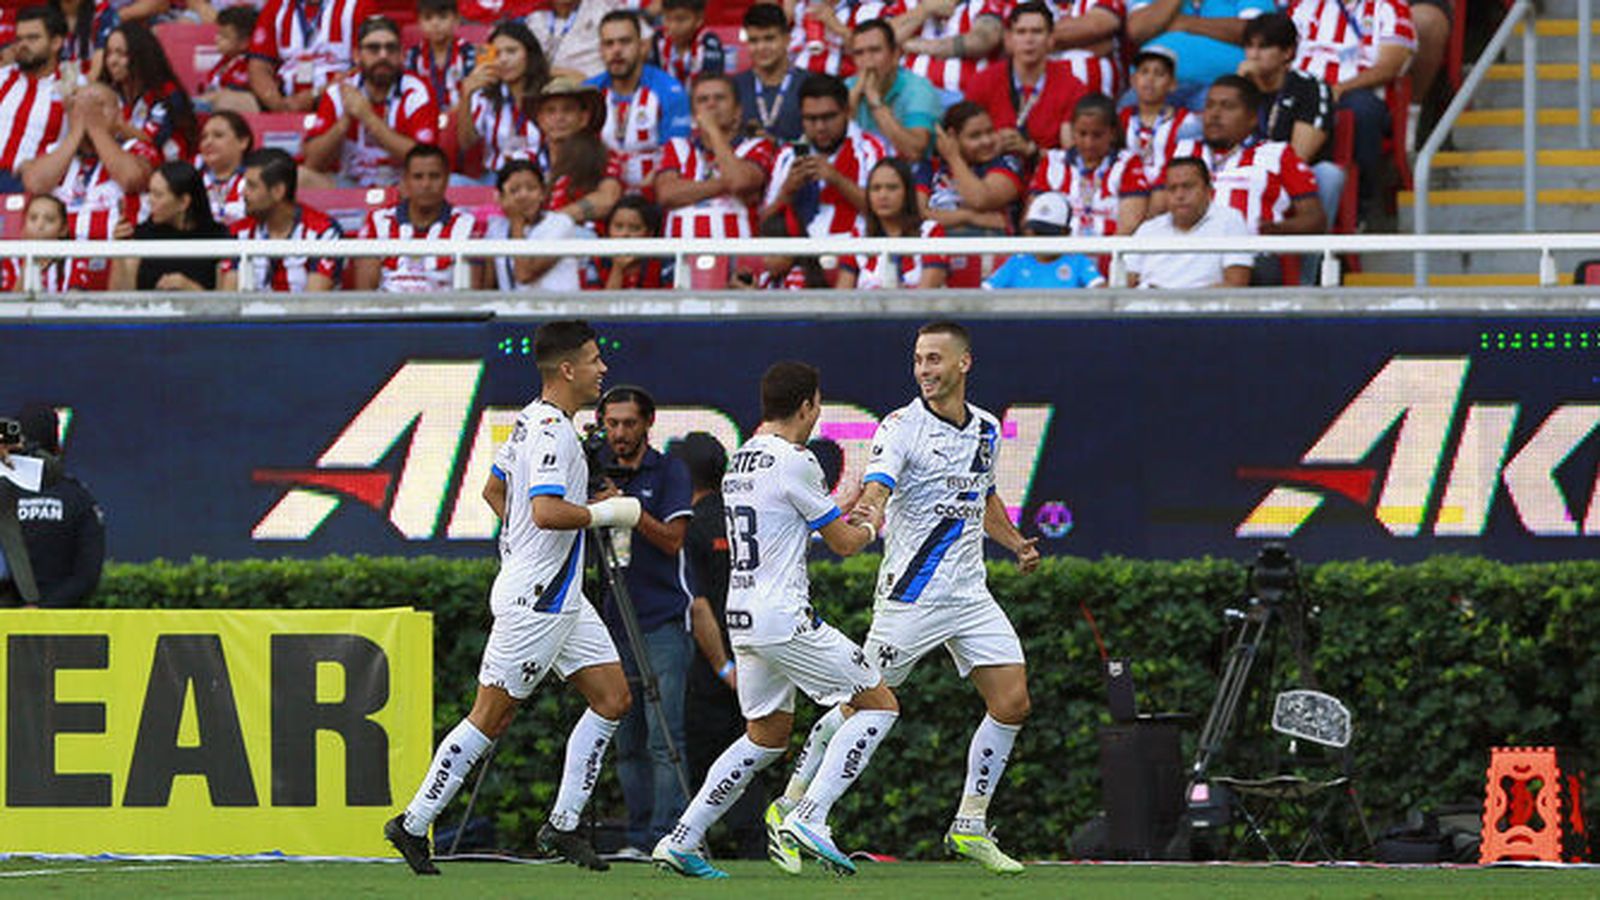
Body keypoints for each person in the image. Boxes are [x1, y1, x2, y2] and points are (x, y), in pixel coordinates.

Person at [771, 321, 1041, 877]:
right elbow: (879, 486)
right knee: (862, 702)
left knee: (1012, 702)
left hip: (970, 595)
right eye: (919, 360)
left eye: (935, 359)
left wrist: (1015, 543)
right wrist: (868, 509)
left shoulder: (988, 429)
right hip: (911, 599)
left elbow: (983, 497)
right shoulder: (899, 427)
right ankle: (794, 804)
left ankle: (969, 823)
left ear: (963, 364)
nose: (924, 370)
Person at [385, 318, 639, 876]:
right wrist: (605, 514)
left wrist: (523, 544)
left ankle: (564, 825)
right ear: (567, 369)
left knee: (614, 697)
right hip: (539, 600)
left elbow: (495, 490)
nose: (603, 369)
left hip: (558, 594)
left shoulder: (531, 422)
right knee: (490, 717)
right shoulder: (551, 431)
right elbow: (547, 511)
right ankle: (412, 821)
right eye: (595, 360)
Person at [653, 360, 894, 880]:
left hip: (742, 617)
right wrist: (873, 522)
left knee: (764, 736)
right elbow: (847, 544)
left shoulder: (742, 459)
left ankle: (683, 837)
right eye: (818, 404)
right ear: (808, 405)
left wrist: (845, 514)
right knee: (877, 705)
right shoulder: (796, 461)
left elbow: (787, 528)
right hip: (784, 617)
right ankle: (812, 817)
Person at [590, 386, 695, 855]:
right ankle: (636, 837)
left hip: (662, 620)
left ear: (648, 423)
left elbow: (674, 540)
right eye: (611, 424)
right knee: (625, 739)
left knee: (663, 735)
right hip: (613, 621)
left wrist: (628, 510)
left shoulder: (669, 470)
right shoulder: (593, 473)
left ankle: (669, 836)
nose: (619, 434)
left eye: (629, 423)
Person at [677, 430, 766, 860]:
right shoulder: (741, 517)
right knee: (754, 749)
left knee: (707, 754)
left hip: (714, 665)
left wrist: (723, 668)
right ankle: (758, 841)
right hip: (758, 649)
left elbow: (698, 607)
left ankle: (698, 839)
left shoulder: (688, 527)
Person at [24, 85, 159, 288]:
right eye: (80, 108)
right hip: (55, 274)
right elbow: (35, 183)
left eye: (99, 107)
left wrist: (96, 130)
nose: (89, 114)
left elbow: (132, 179)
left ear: (118, 115)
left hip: (115, 272)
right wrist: (76, 131)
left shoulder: (136, 148)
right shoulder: (55, 151)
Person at [1287, 0, 1414, 213]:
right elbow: (1283, 52)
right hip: (1302, 89)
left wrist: (1337, 89)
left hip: (1357, 92)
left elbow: (1391, 66)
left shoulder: (1390, 6)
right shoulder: (1302, 5)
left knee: (1361, 111)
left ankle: (1361, 202)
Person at [303, 16, 439, 189]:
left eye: (391, 48)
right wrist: (343, 123)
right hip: (349, 183)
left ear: (402, 55)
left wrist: (368, 118)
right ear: (357, 55)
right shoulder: (339, 91)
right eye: (373, 48)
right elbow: (313, 162)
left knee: (428, 185)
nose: (383, 55)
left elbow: (424, 161)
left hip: (402, 188)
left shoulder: (417, 91)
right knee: (302, 178)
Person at [1239, 13, 1342, 233]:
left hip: (1292, 177)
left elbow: (1298, 155)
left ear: (1287, 52)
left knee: (1328, 174)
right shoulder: (1240, 88)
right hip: (1241, 172)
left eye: (1264, 47)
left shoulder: (1309, 87)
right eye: (1249, 47)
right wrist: (1241, 88)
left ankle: (1313, 264)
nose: (1253, 55)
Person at [761, 73, 884, 239]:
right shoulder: (787, 155)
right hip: (801, 258)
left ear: (847, 111)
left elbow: (885, 213)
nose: (820, 127)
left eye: (828, 117)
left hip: (856, 255)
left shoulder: (871, 149)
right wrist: (787, 191)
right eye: (811, 119)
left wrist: (836, 179)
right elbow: (764, 223)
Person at [655, 73, 775, 242]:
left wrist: (713, 131)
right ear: (694, 112)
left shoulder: (757, 146)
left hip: (738, 259)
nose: (711, 104)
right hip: (681, 260)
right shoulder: (677, 146)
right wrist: (725, 184)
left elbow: (740, 182)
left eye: (719, 98)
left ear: (738, 111)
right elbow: (666, 194)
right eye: (703, 100)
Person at [10, 404, 104, 608]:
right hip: (59, 632)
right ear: (56, 445)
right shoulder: (78, 498)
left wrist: (12, 613)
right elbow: (87, 576)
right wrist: (44, 610)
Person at [586, 10, 691, 194]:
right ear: (601, 51)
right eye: (609, 44)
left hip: (655, 194)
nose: (616, 50)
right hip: (600, 191)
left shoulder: (669, 90)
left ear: (643, 47)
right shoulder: (588, 92)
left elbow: (676, 153)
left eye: (625, 42)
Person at [966, 2, 1087, 159]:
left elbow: (1076, 157)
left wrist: (1031, 151)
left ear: (1051, 39)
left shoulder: (1072, 87)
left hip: (1048, 178)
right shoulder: (983, 81)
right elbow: (963, 144)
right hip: (991, 171)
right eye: (1021, 32)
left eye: (1037, 32)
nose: (1029, 40)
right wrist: (990, 144)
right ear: (1008, 39)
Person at [218, 147, 345, 292]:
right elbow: (229, 299)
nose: (243, 193)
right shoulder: (238, 232)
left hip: (301, 314)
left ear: (278, 191)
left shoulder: (323, 232)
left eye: (251, 186)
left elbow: (314, 304)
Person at [353, 144, 477, 292]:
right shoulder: (379, 222)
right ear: (405, 180)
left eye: (434, 176)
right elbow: (365, 294)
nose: (426, 184)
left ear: (447, 179)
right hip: (389, 311)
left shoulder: (466, 225)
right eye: (418, 177)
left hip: (444, 312)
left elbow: (470, 296)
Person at [927, 101, 1026, 286]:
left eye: (990, 131)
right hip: (938, 265)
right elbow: (917, 215)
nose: (987, 141)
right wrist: (971, 217)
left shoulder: (1006, 163)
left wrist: (954, 157)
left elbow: (980, 198)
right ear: (951, 137)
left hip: (991, 269)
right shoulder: (931, 168)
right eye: (975, 136)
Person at [1029, 93, 1148, 246]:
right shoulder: (1052, 163)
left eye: (1097, 135)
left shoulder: (1128, 164)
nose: (1089, 143)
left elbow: (1130, 224)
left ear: (1112, 133)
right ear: (1072, 131)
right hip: (1060, 260)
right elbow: (1033, 221)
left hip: (1111, 260)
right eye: (1082, 134)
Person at [1126, 155, 1253, 288]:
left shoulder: (1230, 221)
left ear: (1208, 189)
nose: (1179, 195)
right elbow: (1123, 282)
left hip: (1203, 307)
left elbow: (1236, 285)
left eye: (1188, 187)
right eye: (1172, 188)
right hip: (1144, 305)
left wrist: (1175, 299)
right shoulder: (1149, 229)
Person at [1126, 0, 1275, 110]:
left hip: (1218, 87)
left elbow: (1256, 32)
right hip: (1150, 86)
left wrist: (1186, 23)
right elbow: (1137, 30)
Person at [110, 160, 230, 291]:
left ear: (184, 202)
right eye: (149, 192)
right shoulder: (142, 235)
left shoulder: (219, 239)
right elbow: (120, 299)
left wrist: (191, 289)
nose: (150, 201)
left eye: (158, 195)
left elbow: (227, 305)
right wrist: (119, 252)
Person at [474, 158, 588, 292]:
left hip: (556, 309)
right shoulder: (496, 228)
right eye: (514, 190)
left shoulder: (560, 224)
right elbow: (489, 286)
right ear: (500, 198)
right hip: (511, 310)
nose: (524, 195)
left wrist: (517, 223)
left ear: (543, 193)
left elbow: (524, 275)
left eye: (531, 188)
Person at [836, 157, 948, 290]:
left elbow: (927, 294)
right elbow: (843, 295)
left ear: (907, 192)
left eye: (892, 188)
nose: (883, 195)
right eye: (876, 188)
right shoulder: (859, 233)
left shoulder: (930, 231)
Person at [457, 21, 549, 177]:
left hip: (540, 179)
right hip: (496, 180)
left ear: (529, 54)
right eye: (497, 54)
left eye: (511, 51)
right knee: (453, 183)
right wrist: (465, 96)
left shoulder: (549, 93)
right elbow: (466, 143)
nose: (504, 60)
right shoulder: (484, 95)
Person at [247, 0, 374, 113]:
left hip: (337, 96)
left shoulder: (358, 4)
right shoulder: (276, 5)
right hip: (284, 97)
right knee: (238, 102)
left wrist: (315, 94)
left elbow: (369, 64)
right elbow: (259, 65)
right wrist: (277, 103)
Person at [101, 22, 199, 162]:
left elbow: (152, 140)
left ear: (140, 55)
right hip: (126, 165)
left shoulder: (166, 93)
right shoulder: (111, 91)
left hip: (167, 170)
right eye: (109, 53)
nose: (112, 61)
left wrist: (113, 125)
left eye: (121, 54)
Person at [535, 77, 624, 228]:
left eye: (567, 109)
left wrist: (555, 221)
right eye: (550, 111)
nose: (559, 118)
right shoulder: (528, 159)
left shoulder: (603, 156)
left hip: (586, 244)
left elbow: (608, 198)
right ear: (541, 120)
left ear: (584, 118)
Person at [845, 19, 940, 161]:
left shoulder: (918, 89)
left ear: (895, 55)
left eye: (875, 50)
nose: (867, 61)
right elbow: (830, 142)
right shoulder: (849, 87)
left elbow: (914, 151)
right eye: (859, 53)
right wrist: (852, 99)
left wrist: (874, 100)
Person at [0, 6, 71, 194]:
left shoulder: (72, 85)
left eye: (32, 38)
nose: (22, 45)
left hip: (28, 187)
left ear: (56, 42)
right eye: (19, 39)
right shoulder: (2, 77)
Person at [982, 192, 1105, 289]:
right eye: (1037, 232)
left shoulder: (1077, 261)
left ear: (1066, 233)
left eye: (1049, 233)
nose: (1041, 239)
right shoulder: (1017, 261)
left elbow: (1103, 294)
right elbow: (985, 293)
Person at [891, 0, 1006, 95]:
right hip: (908, 95)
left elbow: (983, 40)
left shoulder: (985, 3)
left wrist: (912, 45)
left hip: (966, 98)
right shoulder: (909, 3)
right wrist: (924, 10)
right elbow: (881, 38)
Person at [1120, 46, 1202, 178]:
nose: (1150, 79)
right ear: (1133, 80)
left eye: (1159, 74)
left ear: (1172, 84)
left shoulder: (1187, 122)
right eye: (1144, 72)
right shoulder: (1119, 119)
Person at [733, 3, 805, 142]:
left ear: (787, 39)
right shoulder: (734, 87)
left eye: (769, 39)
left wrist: (777, 144)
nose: (761, 47)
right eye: (754, 40)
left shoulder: (809, 84)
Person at [0, 196, 88, 293]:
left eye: (49, 220)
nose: (40, 225)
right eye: (33, 218)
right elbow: (10, 303)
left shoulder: (74, 258)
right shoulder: (12, 259)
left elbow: (75, 301)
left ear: (63, 229)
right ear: (23, 226)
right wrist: (28, 266)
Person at [585, 195, 673, 289]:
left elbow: (673, 302)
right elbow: (598, 303)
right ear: (608, 228)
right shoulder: (598, 260)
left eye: (635, 228)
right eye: (618, 226)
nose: (625, 234)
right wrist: (618, 269)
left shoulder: (663, 260)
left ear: (650, 232)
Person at [788, 0, 894, 78]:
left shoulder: (870, 9)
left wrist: (836, 26)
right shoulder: (801, 8)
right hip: (800, 78)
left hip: (844, 82)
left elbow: (872, 52)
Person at [527, 0, 629, 80]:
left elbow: (639, 44)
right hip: (551, 89)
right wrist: (564, 73)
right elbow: (529, 66)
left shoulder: (603, 7)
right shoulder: (535, 19)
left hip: (600, 86)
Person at [729, 212, 831, 290]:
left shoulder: (798, 276)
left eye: (773, 255)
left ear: (793, 252)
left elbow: (785, 311)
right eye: (764, 254)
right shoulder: (767, 278)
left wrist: (753, 296)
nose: (766, 260)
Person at [405, 0, 477, 110]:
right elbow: (409, 93)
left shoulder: (469, 53)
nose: (435, 24)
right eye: (428, 18)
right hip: (423, 117)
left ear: (456, 19)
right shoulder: (413, 55)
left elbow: (474, 94)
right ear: (420, 22)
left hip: (462, 115)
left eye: (443, 17)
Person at [1045, 0, 1125, 98]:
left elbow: (1098, 25)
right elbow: (1104, 42)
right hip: (1043, 97)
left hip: (1099, 101)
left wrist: (1047, 46)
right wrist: (1087, 39)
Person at [196, 5, 258, 113]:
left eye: (224, 36)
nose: (217, 39)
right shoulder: (224, 61)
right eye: (218, 33)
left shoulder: (248, 65)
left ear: (245, 43)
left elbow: (232, 93)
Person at [195, 110, 253, 225]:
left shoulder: (256, 183)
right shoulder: (191, 182)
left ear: (243, 142)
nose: (208, 142)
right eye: (204, 137)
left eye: (218, 135)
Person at [651, 0, 724, 86]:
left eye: (681, 20)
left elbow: (711, 84)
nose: (672, 27)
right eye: (667, 18)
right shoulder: (657, 40)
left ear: (699, 19)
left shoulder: (709, 42)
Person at [52, 0, 117, 79]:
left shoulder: (103, 12)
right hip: (52, 84)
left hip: (93, 85)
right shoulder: (45, 14)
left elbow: (95, 72)